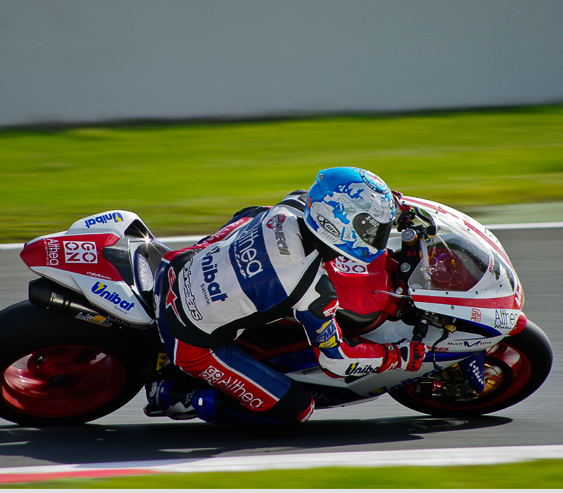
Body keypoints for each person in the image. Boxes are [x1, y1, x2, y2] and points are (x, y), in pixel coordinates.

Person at [145, 167, 427, 429]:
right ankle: (179, 395)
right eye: (371, 228)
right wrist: (396, 356)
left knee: (254, 214)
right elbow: (336, 359)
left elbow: (247, 214)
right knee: (296, 410)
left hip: (175, 266)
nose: (377, 235)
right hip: (190, 342)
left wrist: (390, 206)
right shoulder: (312, 289)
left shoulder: (292, 206)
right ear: (338, 227)